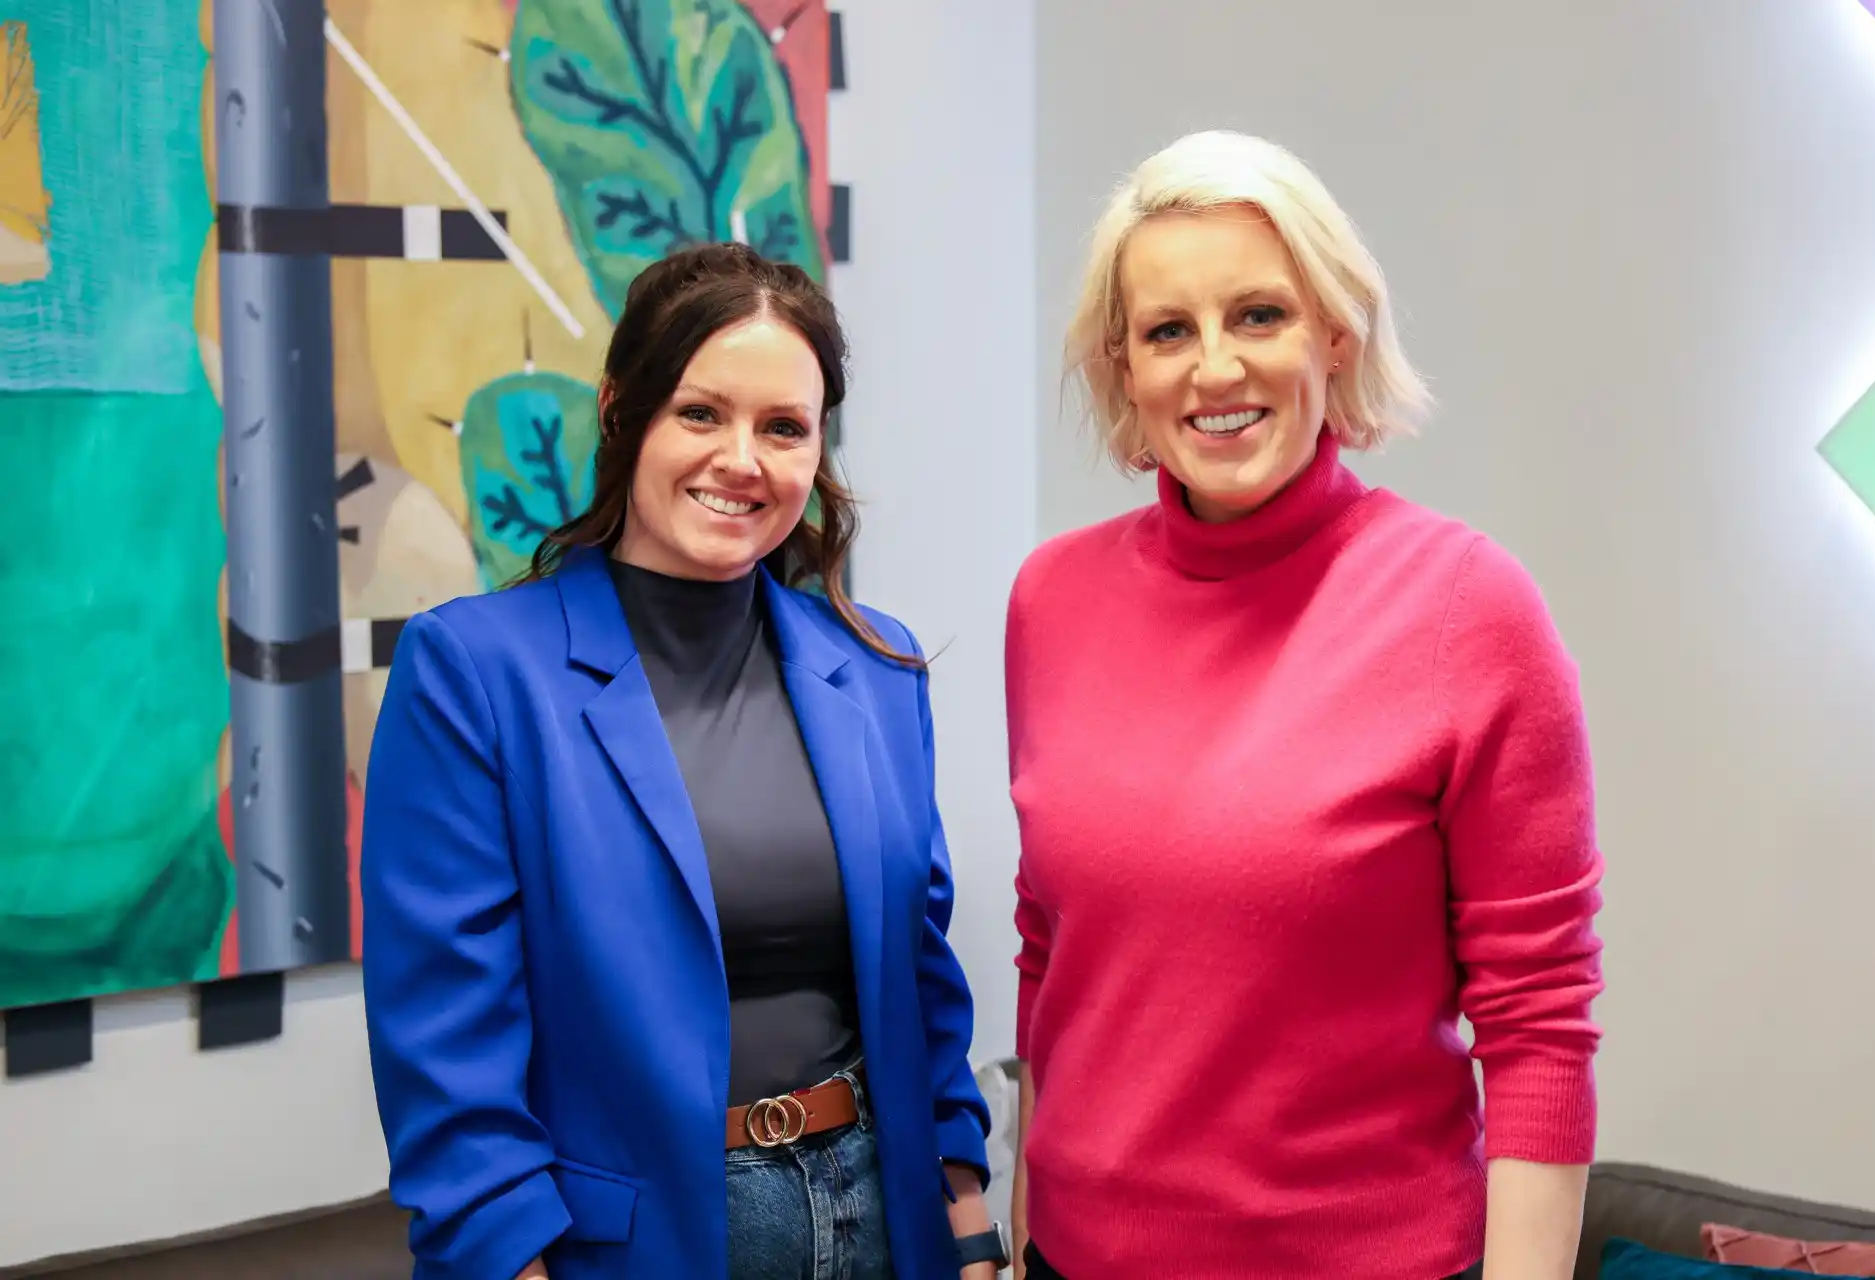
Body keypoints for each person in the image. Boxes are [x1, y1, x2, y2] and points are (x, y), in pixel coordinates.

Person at [1003, 130, 1606, 1280]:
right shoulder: (1050, 599)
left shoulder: (1468, 607)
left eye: (1259, 315)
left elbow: (1539, 1022)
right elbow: (1053, 947)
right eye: (1168, 330)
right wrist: (1033, 1213)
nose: (1215, 368)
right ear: (1123, 367)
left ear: (1336, 332)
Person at [361, 243, 1010, 1280]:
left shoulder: (876, 666)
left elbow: (922, 983)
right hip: (636, 1245)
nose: (741, 458)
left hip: (883, 1219)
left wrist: (967, 1215)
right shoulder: (475, 673)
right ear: (624, 412)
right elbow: (448, 1057)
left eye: (783, 427)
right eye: (701, 413)